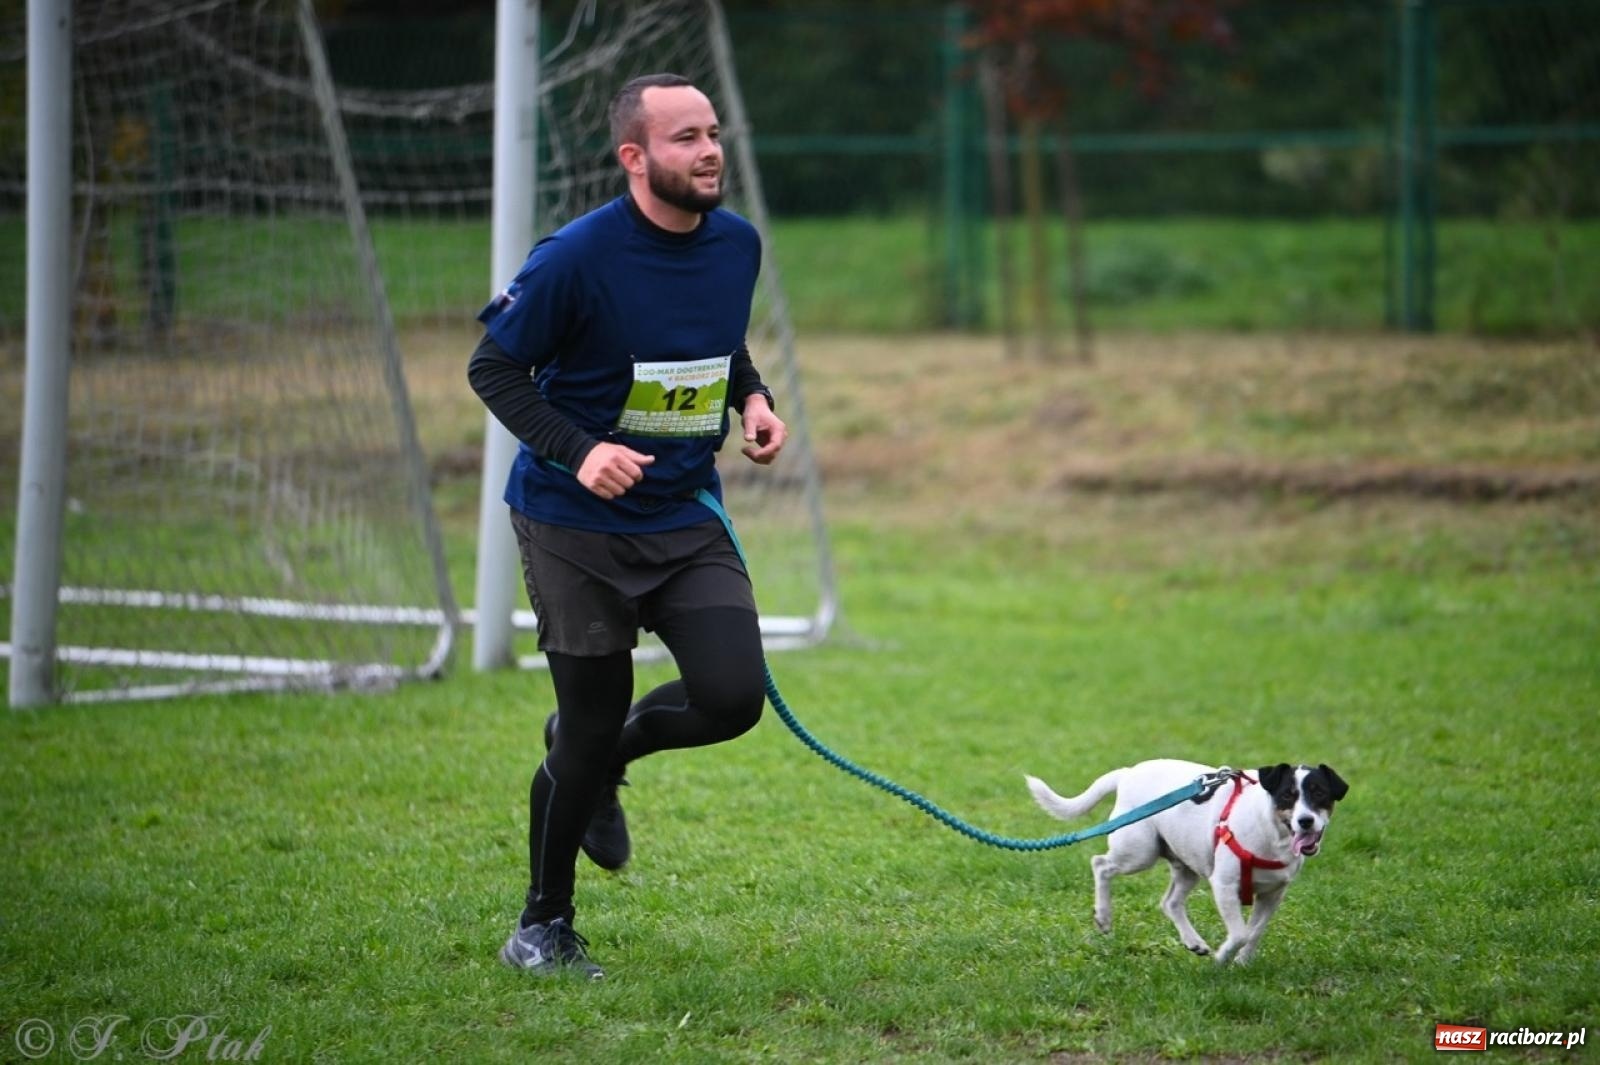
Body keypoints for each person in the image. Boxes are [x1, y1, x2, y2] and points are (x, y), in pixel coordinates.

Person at [467, 72, 787, 980]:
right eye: (686, 138)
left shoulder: (738, 245)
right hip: (574, 522)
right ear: (635, 157)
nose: (711, 150)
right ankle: (542, 925)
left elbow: (720, 341)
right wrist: (579, 450)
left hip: (685, 515)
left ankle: (604, 760)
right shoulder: (575, 255)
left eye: (714, 132)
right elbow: (492, 370)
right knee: (588, 717)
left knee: (732, 697)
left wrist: (753, 398)